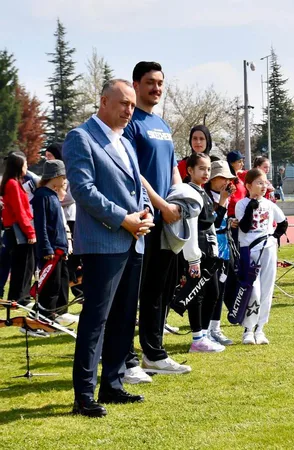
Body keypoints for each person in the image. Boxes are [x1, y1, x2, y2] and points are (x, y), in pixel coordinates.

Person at [63, 79, 154, 417]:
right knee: (96, 320)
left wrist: (145, 215)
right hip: (104, 243)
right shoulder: (80, 137)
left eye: (132, 105)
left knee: (123, 317)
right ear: (103, 101)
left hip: (134, 240)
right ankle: (83, 395)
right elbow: (84, 191)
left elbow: (137, 187)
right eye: (123, 103)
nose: (129, 110)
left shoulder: (126, 142)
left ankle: (113, 385)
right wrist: (123, 219)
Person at [123, 61, 190, 382]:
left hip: (168, 219)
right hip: (145, 217)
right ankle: (125, 359)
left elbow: (173, 167)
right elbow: (135, 172)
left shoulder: (162, 124)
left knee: (159, 289)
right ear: (136, 85)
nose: (157, 88)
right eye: (150, 82)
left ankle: (155, 353)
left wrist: (178, 197)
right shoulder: (131, 123)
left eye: (161, 82)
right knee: (134, 290)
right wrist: (161, 204)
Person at [236, 168, 288, 345]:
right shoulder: (242, 204)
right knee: (253, 290)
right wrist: (252, 206)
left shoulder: (270, 204)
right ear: (249, 185)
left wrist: (274, 237)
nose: (264, 186)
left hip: (268, 250)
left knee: (266, 290)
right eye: (259, 183)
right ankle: (248, 329)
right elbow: (243, 227)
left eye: (265, 182)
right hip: (249, 251)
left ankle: (260, 328)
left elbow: (283, 222)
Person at [180, 152, 226, 353]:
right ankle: (197, 337)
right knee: (197, 293)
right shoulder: (189, 192)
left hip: (209, 250)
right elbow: (190, 227)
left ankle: (204, 334)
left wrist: (223, 202)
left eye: (208, 169)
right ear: (190, 170)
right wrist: (193, 259)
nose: (206, 173)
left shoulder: (202, 192)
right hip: (197, 251)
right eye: (201, 168)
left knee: (213, 292)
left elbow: (212, 223)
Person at [32, 160, 76, 327]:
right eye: (64, 177)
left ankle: (54, 316)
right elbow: (41, 225)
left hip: (59, 249)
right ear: (56, 177)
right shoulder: (42, 196)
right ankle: (42, 320)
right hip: (49, 251)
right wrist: (46, 247)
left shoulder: (53, 195)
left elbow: (59, 224)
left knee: (59, 283)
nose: (65, 181)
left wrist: (65, 246)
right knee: (49, 287)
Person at [204, 160, 237, 345]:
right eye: (222, 177)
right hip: (211, 249)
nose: (226, 181)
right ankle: (205, 330)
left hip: (225, 247)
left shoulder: (224, 196)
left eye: (228, 178)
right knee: (211, 291)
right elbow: (213, 224)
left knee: (221, 290)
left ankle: (216, 328)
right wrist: (223, 201)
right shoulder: (206, 197)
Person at [45, 143, 82, 301]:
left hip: (69, 219)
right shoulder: (49, 178)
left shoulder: (67, 174)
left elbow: (71, 197)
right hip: (58, 219)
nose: (47, 159)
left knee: (71, 260)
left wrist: (55, 200)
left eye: (50, 156)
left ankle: (78, 290)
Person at [0, 152, 36, 306]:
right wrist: (30, 232)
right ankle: (20, 297)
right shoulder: (12, 184)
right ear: (18, 166)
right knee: (24, 263)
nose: (27, 166)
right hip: (18, 229)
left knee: (21, 263)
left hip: (16, 228)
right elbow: (20, 211)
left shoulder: (13, 182)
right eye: (25, 164)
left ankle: (18, 296)